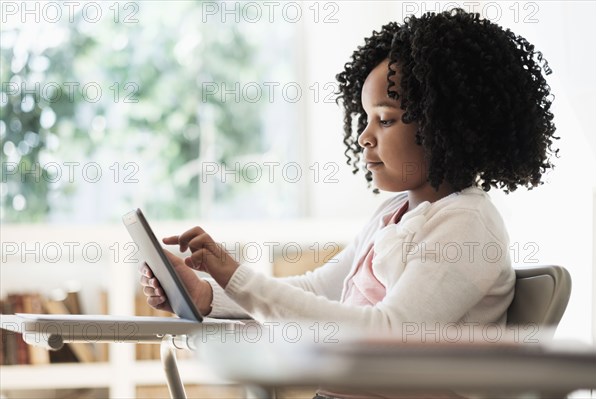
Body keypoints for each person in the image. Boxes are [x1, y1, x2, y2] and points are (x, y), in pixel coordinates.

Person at [139, 8, 558, 399]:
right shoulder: (392, 213)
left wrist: (237, 278)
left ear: (446, 123)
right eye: (365, 119)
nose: (364, 136)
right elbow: (320, 291)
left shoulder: (467, 224)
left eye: (387, 119)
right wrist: (210, 292)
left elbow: (387, 333)